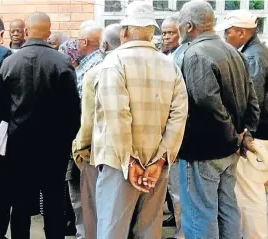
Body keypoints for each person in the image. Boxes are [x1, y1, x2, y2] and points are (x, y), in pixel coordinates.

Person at [94, 2, 189, 238]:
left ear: (124, 31)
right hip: (155, 165)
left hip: (119, 163)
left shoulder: (113, 62)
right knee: (148, 230)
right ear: (152, 32)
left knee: (112, 230)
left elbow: (117, 116)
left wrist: (130, 161)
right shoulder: (170, 65)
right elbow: (179, 117)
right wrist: (160, 161)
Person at [177, 1, 260, 238]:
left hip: (205, 150)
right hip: (228, 147)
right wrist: (244, 134)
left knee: (200, 213)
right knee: (227, 208)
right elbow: (251, 99)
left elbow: (207, 103)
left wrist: (234, 136)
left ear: (189, 25)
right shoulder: (233, 50)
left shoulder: (195, 54)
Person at [0, 12, 81, 239]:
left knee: (21, 204)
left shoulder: (9, 62)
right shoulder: (62, 63)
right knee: (53, 202)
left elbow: (1, 107)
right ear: (49, 31)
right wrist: (68, 140)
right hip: (55, 147)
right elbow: (74, 109)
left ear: (26, 32)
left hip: (19, 145)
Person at [216, 10, 268, 239]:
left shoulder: (253, 57)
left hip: (256, 133)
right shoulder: (257, 51)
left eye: (228, 32)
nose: (225, 36)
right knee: (249, 190)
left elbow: (252, 101)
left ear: (242, 32)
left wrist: (243, 133)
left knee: (249, 192)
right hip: (262, 130)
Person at [72, 23, 121, 239]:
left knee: (89, 203)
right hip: (122, 150)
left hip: (94, 148)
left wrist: (79, 147)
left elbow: (86, 113)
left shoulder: (92, 71)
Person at [68, 22, 103, 239]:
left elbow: (82, 110)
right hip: (98, 143)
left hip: (85, 144)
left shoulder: (89, 70)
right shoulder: (101, 63)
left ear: (83, 42)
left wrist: (79, 146)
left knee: (84, 196)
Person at [160, 15, 188, 239]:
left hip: (178, 133)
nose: (166, 37)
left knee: (179, 189)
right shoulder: (166, 56)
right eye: (164, 32)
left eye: (171, 32)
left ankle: (182, 233)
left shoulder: (181, 56)